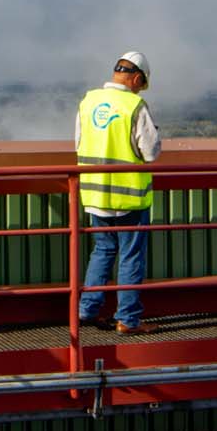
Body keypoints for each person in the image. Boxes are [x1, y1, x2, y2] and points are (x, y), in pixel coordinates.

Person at [77, 51, 161, 334]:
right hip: (128, 197)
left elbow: (79, 143)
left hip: (95, 195)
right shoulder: (134, 105)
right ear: (137, 78)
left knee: (102, 250)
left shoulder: (88, 102)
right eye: (141, 83)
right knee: (131, 256)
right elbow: (150, 153)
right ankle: (128, 319)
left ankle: (87, 311)